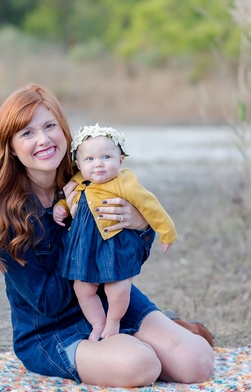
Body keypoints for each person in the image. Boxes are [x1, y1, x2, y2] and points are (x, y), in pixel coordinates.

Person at [0, 84, 214, 387]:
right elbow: (50, 301)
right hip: (54, 330)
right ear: (12, 147)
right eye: (27, 133)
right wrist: (76, 226)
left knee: (197, 365)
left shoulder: (92, 174)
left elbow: (125, 260)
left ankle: (164, 333)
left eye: (49, 125)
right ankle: (148, 343)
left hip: (113, 304)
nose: (43, 139)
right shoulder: (5, 216)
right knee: (140, 365)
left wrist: (139, 227)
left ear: (64, 129)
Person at [53, 124, 176, 342]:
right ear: (78, 164)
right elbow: (67, 201)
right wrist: (60, 208)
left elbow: (150, 206)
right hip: (85, 250)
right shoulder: (78, 182)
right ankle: (98, 322)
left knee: (118, 289)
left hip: (114, 247)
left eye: (106, 157)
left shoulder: (124, 183)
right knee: (83, 289)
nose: (98, 164)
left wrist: (166, 231)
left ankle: (113, 322)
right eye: (90, 159)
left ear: (120, 160)